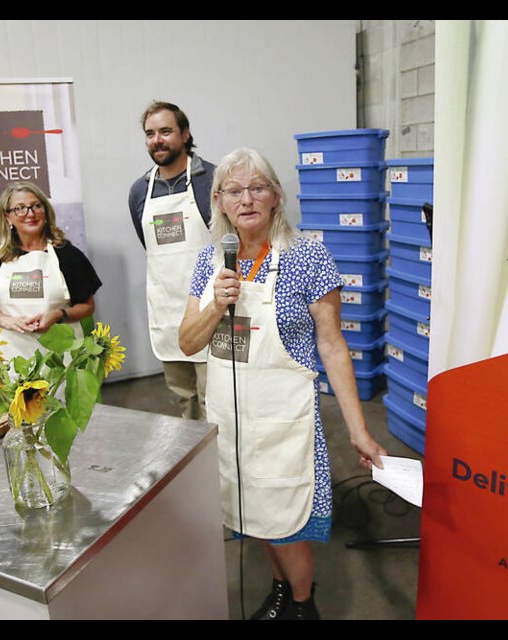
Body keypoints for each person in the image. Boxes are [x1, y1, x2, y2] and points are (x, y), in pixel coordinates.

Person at [179, 148, 387, 620]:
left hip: (284, 417)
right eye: (234, 190)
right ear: (219, 201)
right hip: (230, 418)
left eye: (257, 187)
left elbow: (333, 346)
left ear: (276, 197)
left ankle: (301, 603)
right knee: (251, 515)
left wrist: (358, 429)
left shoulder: (308, 256)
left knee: (285, 523)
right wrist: (215, 305)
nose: (246, 198)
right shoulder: (210, 261)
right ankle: (279, 589)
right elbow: (188, 342)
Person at [128, 100, 215, 421]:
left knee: (215, 400)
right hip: (167, 311)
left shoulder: (212, 181)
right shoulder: (140, 191)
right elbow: (148, 245)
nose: (157, 140)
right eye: (150, 133)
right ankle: (195, 465)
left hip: (210, 310)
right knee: (184, 399)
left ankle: (223, 469)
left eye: (165, 131)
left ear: (185, 134)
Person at [0, 181, 101, 366]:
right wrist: (6, 320)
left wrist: (58, 314)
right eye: (20, 208)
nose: (30, 214)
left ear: (45, 211)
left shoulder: (67, 254)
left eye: (36, 206)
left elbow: (88, 306)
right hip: (10, 357)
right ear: (7, 217)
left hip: (61, 359)